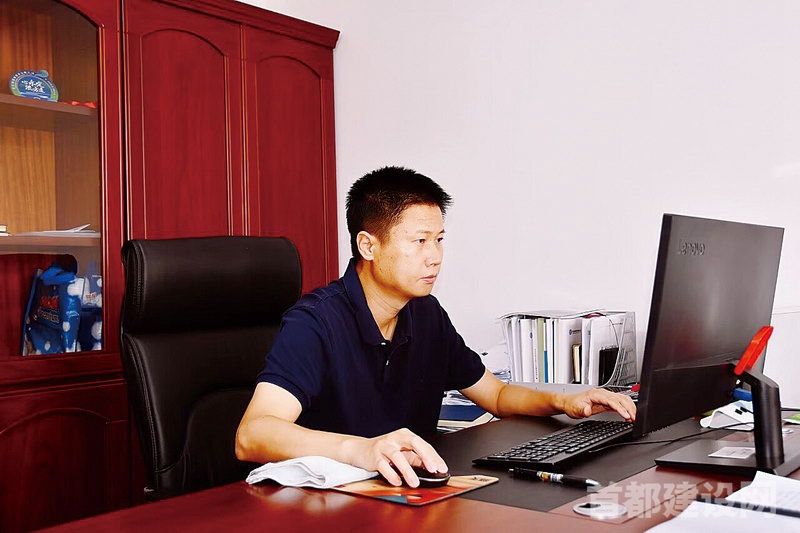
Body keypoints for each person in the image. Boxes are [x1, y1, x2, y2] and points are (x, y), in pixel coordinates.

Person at [236, 166, 636, 488]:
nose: (435, 257)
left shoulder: (425, 314)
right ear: (368, 246)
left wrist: (564, 401)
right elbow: (252, 435)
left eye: (440, 239)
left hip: (407, 496)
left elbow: (496, 396)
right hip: (325, 507)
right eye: (420, 241)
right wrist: (362, 450)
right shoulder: (315, 322)